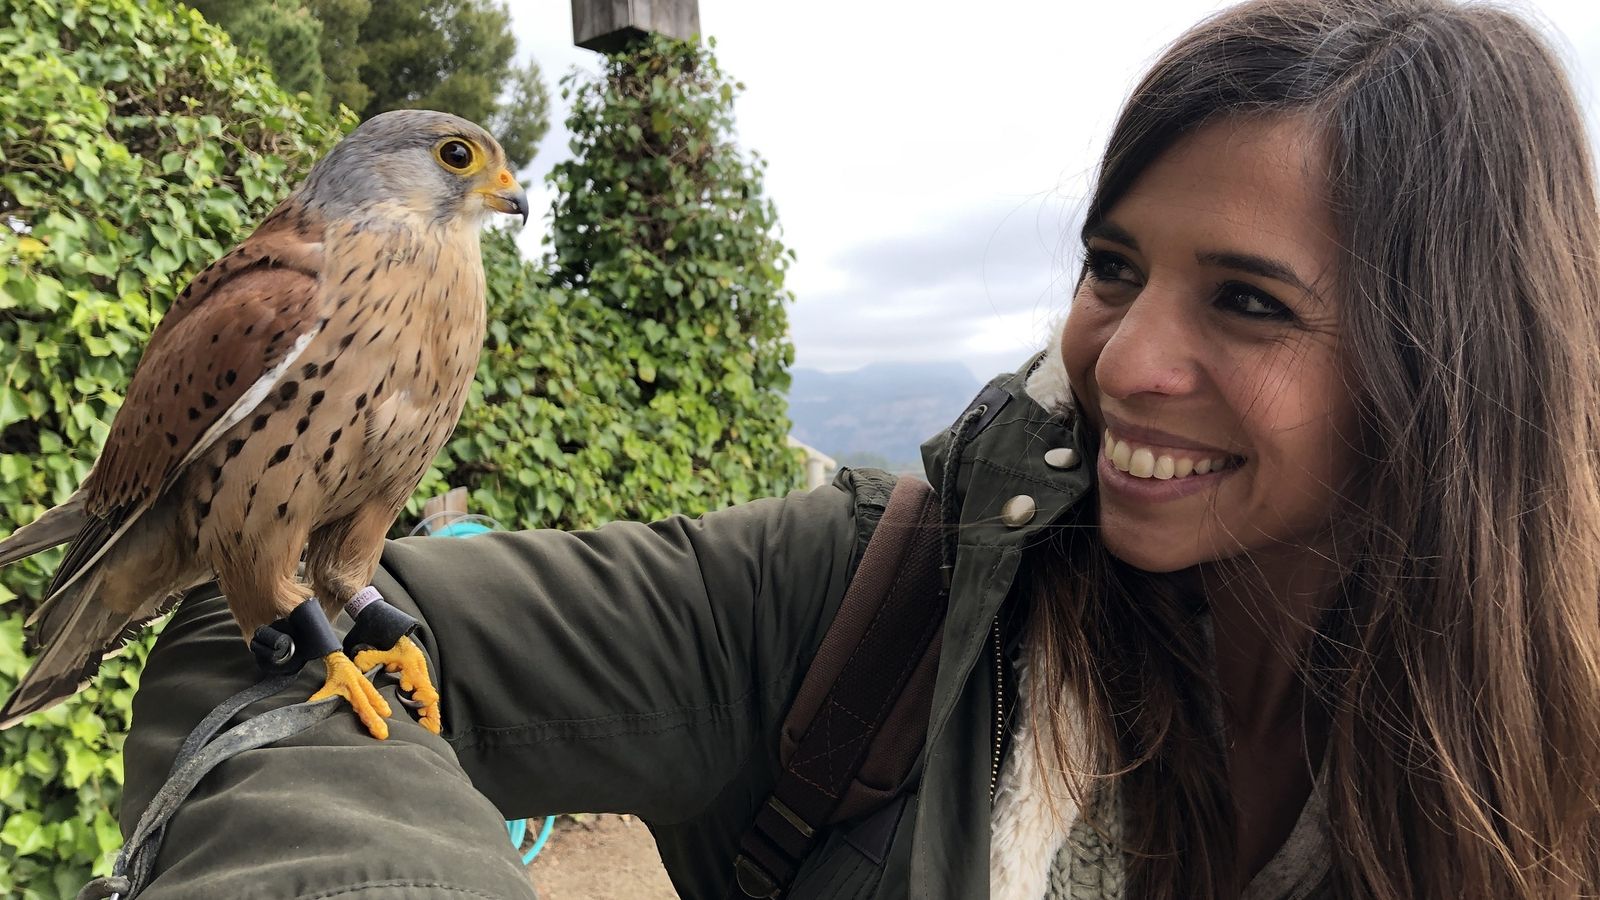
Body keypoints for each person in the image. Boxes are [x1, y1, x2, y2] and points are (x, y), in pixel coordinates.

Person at [110, 0, 1600, 898]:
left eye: (1252, 302)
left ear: (1458, 371)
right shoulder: (884, 593)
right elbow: (235, 649)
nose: (1128, 362)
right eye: (1112, 266)